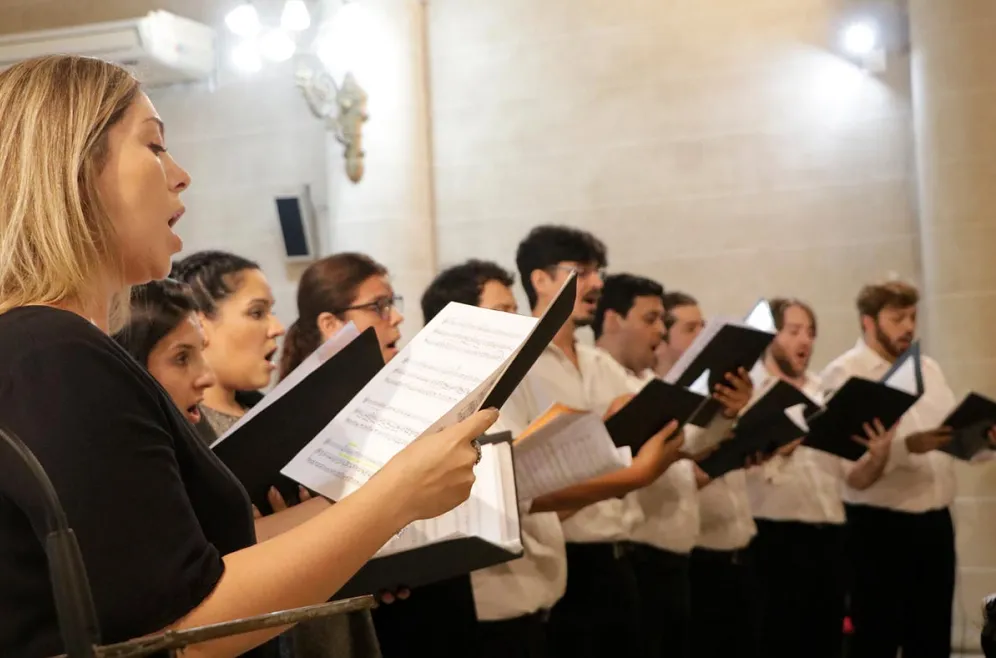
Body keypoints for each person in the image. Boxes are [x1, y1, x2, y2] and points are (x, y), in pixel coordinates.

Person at [0, 54, 496, 658]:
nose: (180, 175)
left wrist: (356, 514)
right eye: (154, 146)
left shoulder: (50, 347)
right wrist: (395, 496)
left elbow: (202, 564)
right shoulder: (49, 352)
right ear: (75, 170)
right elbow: (180, 630)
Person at [172, 251, 382, 658]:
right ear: (200, 324)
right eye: (256, 313)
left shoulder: (281, 415)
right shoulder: (184, 435)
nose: (277, 327)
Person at [278, 252, 476, 658]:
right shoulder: (297, 416)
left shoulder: (401, 393)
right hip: (369, 612)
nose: (396, 318)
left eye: (392, 304)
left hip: (433, 589)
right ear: (330, 324)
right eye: (378, 306)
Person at [506, 226, 691, 658]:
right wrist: (621, 464)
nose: (597, 284)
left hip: (620, 554)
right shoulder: (517, 362)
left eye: (598, 273)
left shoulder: (599, 362)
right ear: (540, 280)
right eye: (582, 272)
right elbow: (525, 477)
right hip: (565, 557)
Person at [820, 281, 967, 658]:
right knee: (877, 635)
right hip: (879, 526)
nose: (908, 327)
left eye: (912, 317)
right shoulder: (845, 373)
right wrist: (904, 449)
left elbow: (947, 434)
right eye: (897, 317)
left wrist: (977, 438)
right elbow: (849, 469)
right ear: (868, 322)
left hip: (934, 520)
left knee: (932, 635)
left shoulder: (928, 369)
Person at [745, 298, 890, 658]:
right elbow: (732, 468)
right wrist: (780, 446)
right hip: (772, 536)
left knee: (825, 642)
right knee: (774, 641)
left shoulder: (823, 391)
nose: (805, 341)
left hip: (828, 536)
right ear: (769, 335)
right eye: (793, 331)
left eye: (810, 332)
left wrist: (879, 457)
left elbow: (853, 479)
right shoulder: (748, 391)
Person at [593, 274, 707, 658]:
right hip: (632, 550)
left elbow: (691, 444)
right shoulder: (596, 375)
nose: (661, 329)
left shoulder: (647, 383)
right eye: (651, 318)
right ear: (612, 319)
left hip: (665, 552)